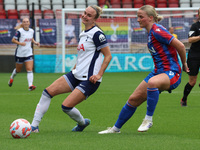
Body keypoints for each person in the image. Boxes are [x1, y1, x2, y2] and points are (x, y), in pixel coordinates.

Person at [98, 5, 188, 134]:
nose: (138, 20)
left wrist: (184, 64)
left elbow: (180, 46)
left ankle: (148, 120)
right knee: (133, 99)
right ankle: (115, 129)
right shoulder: (151, 32)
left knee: (152, 82)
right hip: (158, 72)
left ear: (150, 18)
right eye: (137, 17)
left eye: (141, 17)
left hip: (172, 72)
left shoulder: (157, 31)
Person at [31, 5, 112, 133]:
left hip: (89, 79)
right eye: (85, 13)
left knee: (66, 106)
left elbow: (108, 56)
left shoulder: (97, 34)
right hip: (76, 74)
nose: (85, 16)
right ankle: (34, 127)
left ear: (95, 19)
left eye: (89, 15)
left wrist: (98, 75)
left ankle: (82, 123)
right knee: (47, 92)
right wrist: (74, 68)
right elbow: (82, 56)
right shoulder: (82, 33)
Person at [8, 18, 40, 91]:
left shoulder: (31, 31)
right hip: (20, 53)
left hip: (28, 53)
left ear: (29, 23)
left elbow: (31, 38)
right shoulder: (19, 31)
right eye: (24, 22)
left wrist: (35, 42)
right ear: (22, 23)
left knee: (29, 69)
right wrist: (20, 43)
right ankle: (12, 77)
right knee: (18, 70)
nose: (26, 23)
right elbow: (13, 40)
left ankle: (30, 86)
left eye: (27, 22)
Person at [180, 8, 200, 107]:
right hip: (195, 56)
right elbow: (190, 39)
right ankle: (184, 99)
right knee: (192, 82)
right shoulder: (195, 26)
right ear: (198, 15)